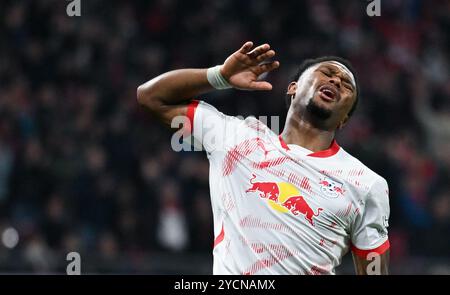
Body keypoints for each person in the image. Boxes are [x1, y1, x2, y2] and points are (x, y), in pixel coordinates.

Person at [137, 41, 390, 275]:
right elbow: (151, 97)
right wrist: (220, 77)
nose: (336, 80)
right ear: (294, 88)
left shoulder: (366, 185)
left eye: (347, 85)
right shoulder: (234, 138)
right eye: (327, 73)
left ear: (344, 119)